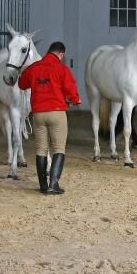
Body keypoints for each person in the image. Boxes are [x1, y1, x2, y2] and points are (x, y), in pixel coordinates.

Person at [18, 41, 81, 195]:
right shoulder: (61, 68)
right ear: (61, 54)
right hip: (57, 112)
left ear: (48, 51)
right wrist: (76, 100)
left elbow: (21, 84)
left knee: (41, 149)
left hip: (38, 114)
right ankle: (53, 183)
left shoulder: (34, 67)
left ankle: (43, 186)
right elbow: (70, 89)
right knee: (58, 148)